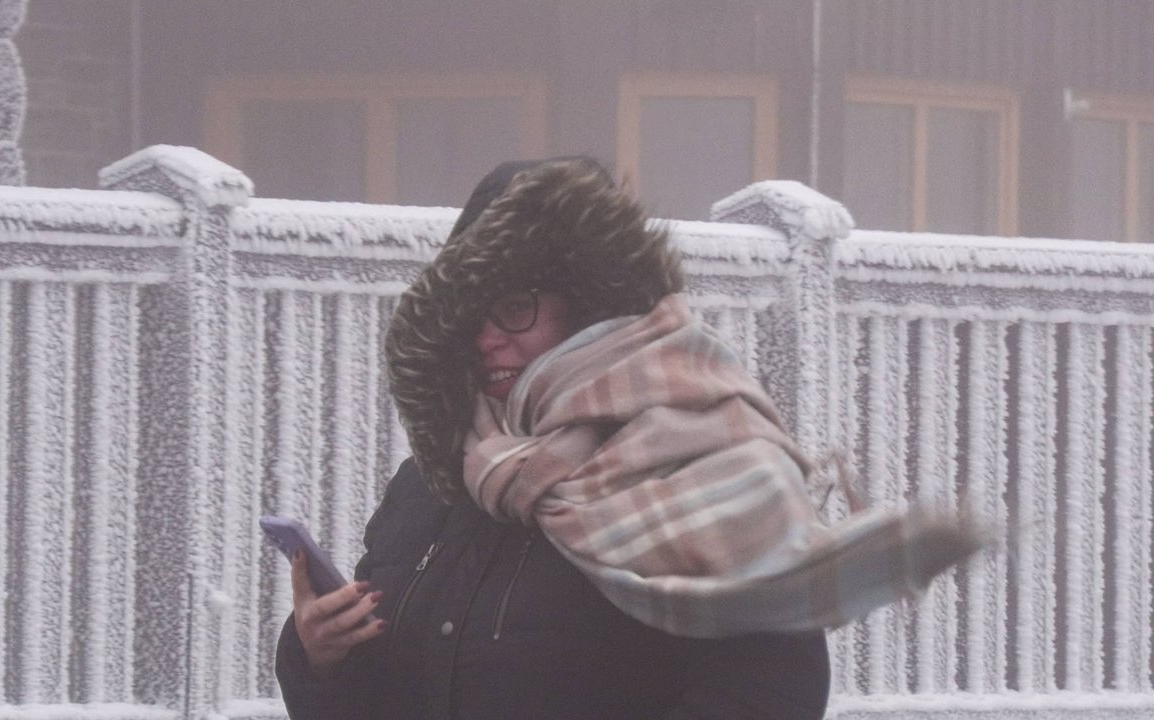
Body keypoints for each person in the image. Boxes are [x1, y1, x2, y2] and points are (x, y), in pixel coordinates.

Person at [276, 157, 982, 718]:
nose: (487, 338)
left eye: (516, 306)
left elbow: (769, 693)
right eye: (470, 313)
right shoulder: (439, 479)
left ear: (590, 304)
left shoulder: (697, 458)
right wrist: (320, 657)